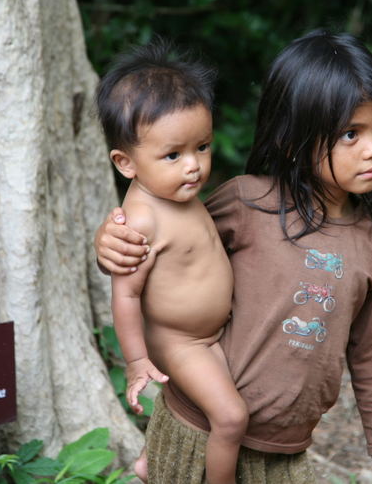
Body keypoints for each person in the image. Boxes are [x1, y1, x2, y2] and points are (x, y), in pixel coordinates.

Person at [96, 29, 372, 483]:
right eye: (349, 134)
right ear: (292, 138)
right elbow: (157, 235)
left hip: (283, 451)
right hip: (194, 432)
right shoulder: (249, 204)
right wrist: (107, 243)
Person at [96, 41, 247, 484]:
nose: (194, 167)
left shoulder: (177, 193)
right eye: (173, 155)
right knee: (231, 418)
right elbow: (125, 295)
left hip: (210, 333)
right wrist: (137, 361)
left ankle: (151, 459)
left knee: (199, 406)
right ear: (126, 163)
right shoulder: (141, 218)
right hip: (182, 341)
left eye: (202, 147)